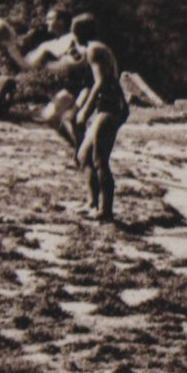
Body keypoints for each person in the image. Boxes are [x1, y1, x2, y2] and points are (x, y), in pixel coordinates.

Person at [69, 14, 129, 223]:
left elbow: (101, 82)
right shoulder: (93, 49)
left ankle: (106, 211)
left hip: (112, 107)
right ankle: (91, 203)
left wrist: (85, 110)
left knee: (99, 159)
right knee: (84, 156)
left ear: (77, 32)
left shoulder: (94, 50)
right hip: (106, 106)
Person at [25, 8, 88, 148]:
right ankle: (80, 149)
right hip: (71, 88)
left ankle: (85, 152)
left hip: (87, 87)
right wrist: (10, 46)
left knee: (71, 119)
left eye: (50, 18)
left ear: (61, 21)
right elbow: (27, 66)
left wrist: (48, 65)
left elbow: (76, 64)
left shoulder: (74, 39)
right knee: (51, 117)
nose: (46, 22)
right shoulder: (50, 44)